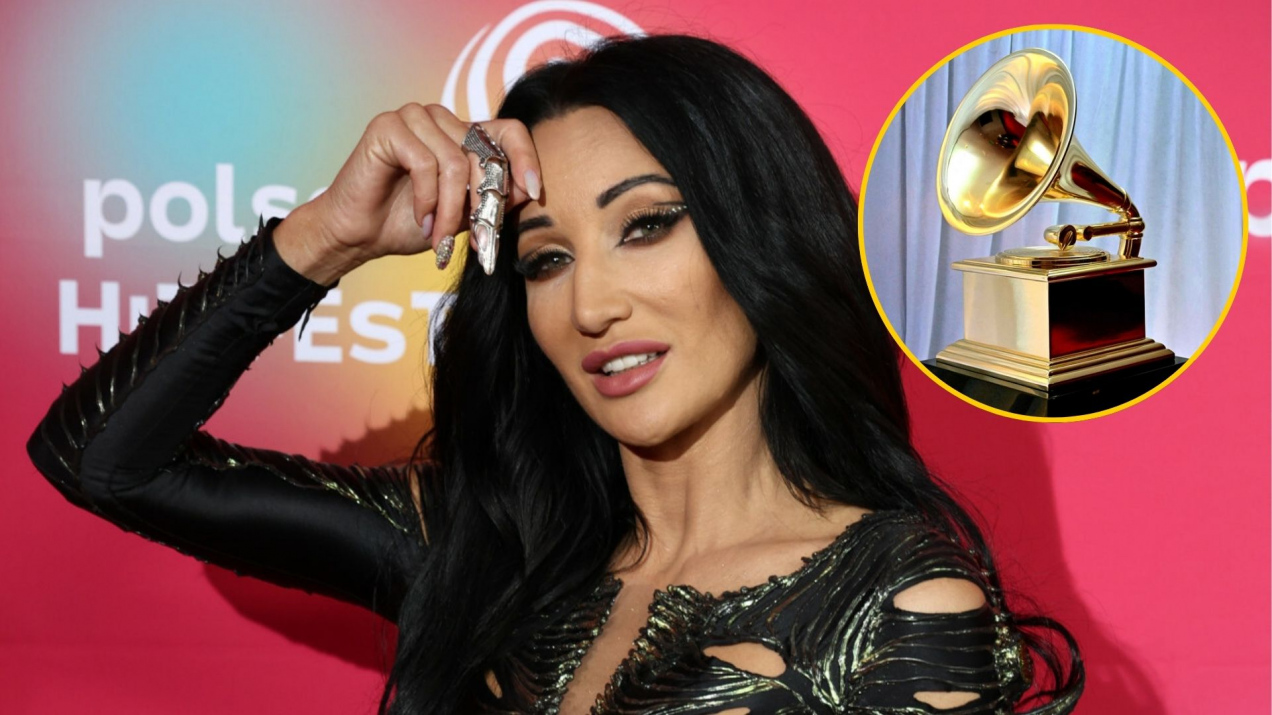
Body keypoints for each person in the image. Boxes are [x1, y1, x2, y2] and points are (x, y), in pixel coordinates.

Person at [26, 33, 1083, 714]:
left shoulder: (897, 607)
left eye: (647, 225)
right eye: (546, 259)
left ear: (758, 237)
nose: (591, 306)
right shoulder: (488, 539)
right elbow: (104, 459)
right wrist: (326, 237)